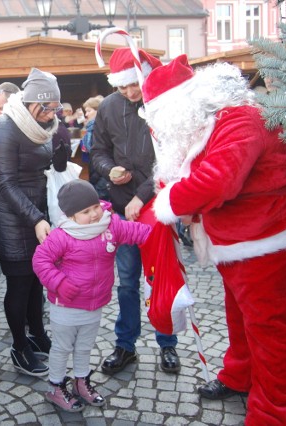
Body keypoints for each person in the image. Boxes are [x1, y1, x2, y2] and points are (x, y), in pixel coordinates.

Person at [142, 54, 286, 425]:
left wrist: (170, 203)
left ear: (180, 103)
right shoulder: (208, 122)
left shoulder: (241, 119)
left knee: (271, 330)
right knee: (239, 316)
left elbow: (219, 180)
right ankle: (240, 375)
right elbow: (192, 168)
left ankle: (273, 412)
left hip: (267, 238)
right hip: (236, 239)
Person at [90, 47, 182, 375]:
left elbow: (171, 159)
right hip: (120, 206)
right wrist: (109, 168)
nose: (130, 92)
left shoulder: (162, 104)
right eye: (123, 86)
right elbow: (97, 150)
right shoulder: (109, 108)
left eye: (134, 84)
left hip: (155, 205)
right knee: (127, 281)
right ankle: (125, 345)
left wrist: (141, 196)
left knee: (160, 276)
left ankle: (167, 343)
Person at [33, 179, 151, 412]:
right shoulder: (62, 235)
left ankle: (81, 381)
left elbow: (137, 231)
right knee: (62, 347)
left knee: (85, 346)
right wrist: (59, 283)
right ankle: (55, 386)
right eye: (85, 212)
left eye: (95, 207)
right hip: (66, 306)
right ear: (71, 215)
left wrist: (158, 232)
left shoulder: (110, 226)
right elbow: (40, 260)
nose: (95, 214)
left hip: (94, 304)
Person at [0, 68, 67, 377]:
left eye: (55, 109)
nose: (52, 114)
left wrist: (60, 144)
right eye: (49, 109)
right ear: (33, 103)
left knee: (36, 282)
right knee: (19, 285)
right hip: (10, 218)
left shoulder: (42, 125)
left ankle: (37, 334)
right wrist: (35, 218)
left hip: (34, 214)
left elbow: (49, 165)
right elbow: (5, 183)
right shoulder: (4, 128)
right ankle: (19, 346)